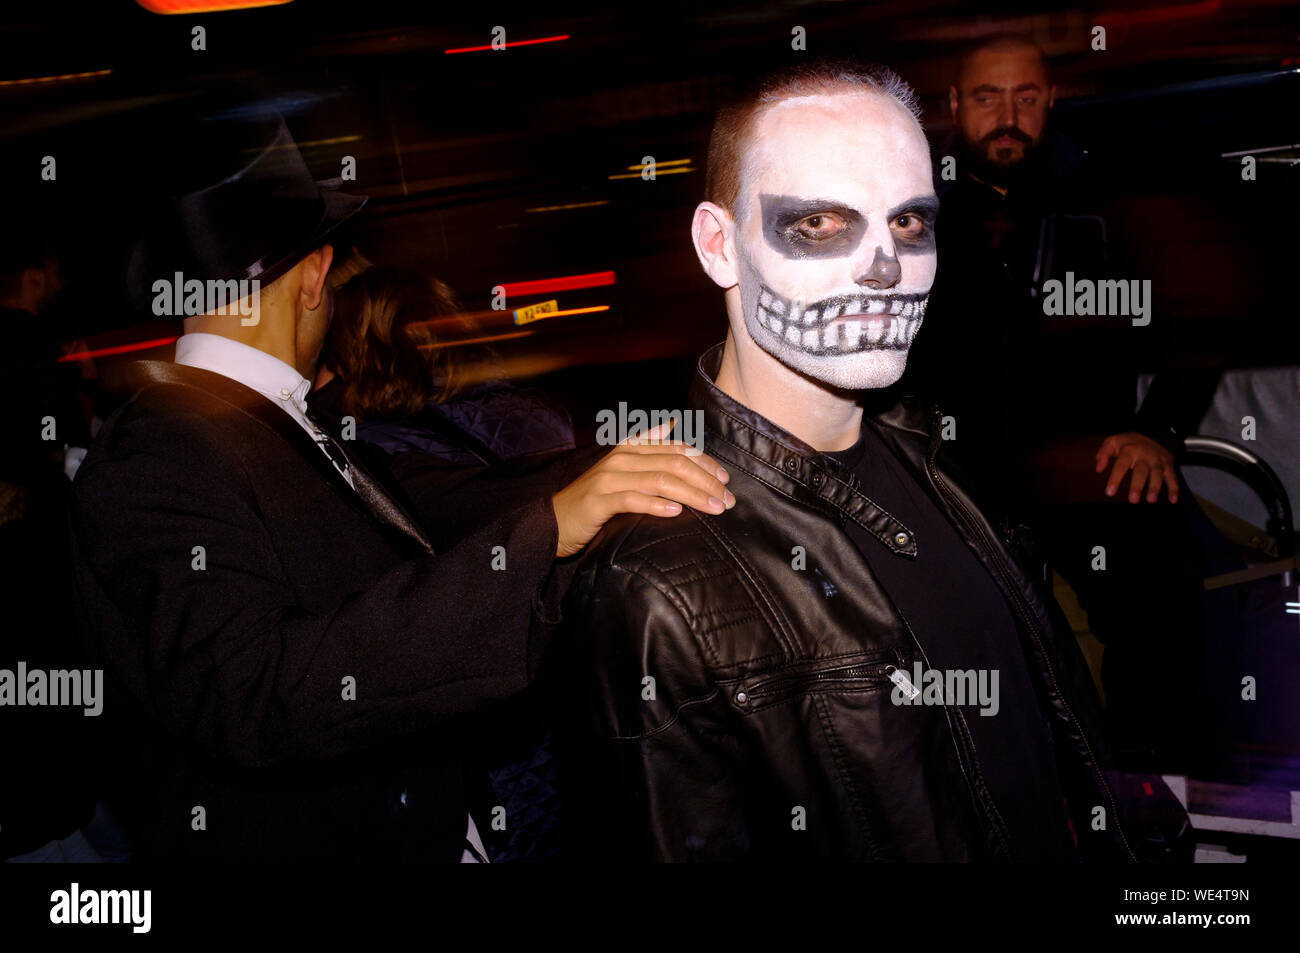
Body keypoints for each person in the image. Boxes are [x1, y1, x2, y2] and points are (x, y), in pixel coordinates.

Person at [559, 58, 1189, 861]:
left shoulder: (942, 459)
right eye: (819, 224)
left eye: (909, 224)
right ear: (720, 246)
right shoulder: (657, 587)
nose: (886, 267)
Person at [68, 114, 735, 862]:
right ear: (317, 275)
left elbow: (442, 502)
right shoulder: (159, 451)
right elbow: (251, 691)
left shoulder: (272, 420)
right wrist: (545, 528)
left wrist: (618, 472)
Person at [902, 34, 1229, 773]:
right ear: (955, 106)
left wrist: (1158, 432)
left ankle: (1150, 791)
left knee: (1168, 604)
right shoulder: (913, 203)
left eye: (1025, 97)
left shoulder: (1105, 193)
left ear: (1051, 100)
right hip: (958, 474)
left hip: (1094, 463)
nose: (1008, 116)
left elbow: (1198, 317)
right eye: (987, 98)